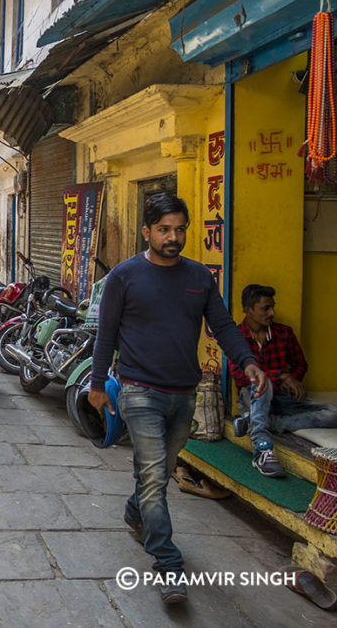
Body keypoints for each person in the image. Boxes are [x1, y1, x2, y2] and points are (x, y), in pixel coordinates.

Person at [88, 193, 267, 605]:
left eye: (180, 229)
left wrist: (249, 362)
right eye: (165, 229)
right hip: (138, 391)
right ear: (147, 231)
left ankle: (136, 511)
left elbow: (222, 325)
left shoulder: (200, 277)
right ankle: (168, 563)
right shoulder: (124, 276)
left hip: (184, 395)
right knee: (153, 475)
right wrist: (97, 385)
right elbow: (107, 334)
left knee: (161, 472)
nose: (173, 237)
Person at [228, 284, 337, 477]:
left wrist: (294, 381)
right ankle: (263, 449)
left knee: (335, 414)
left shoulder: (284, 333)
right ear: (248, 310)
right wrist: (280, 376)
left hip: (284, 400)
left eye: (272, 307)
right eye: (265, 308)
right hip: (253, 397)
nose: (272, 313)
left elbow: (301, 365)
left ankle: (261, 422)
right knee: (262, 384)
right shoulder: (236, 337)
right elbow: (240, 377)